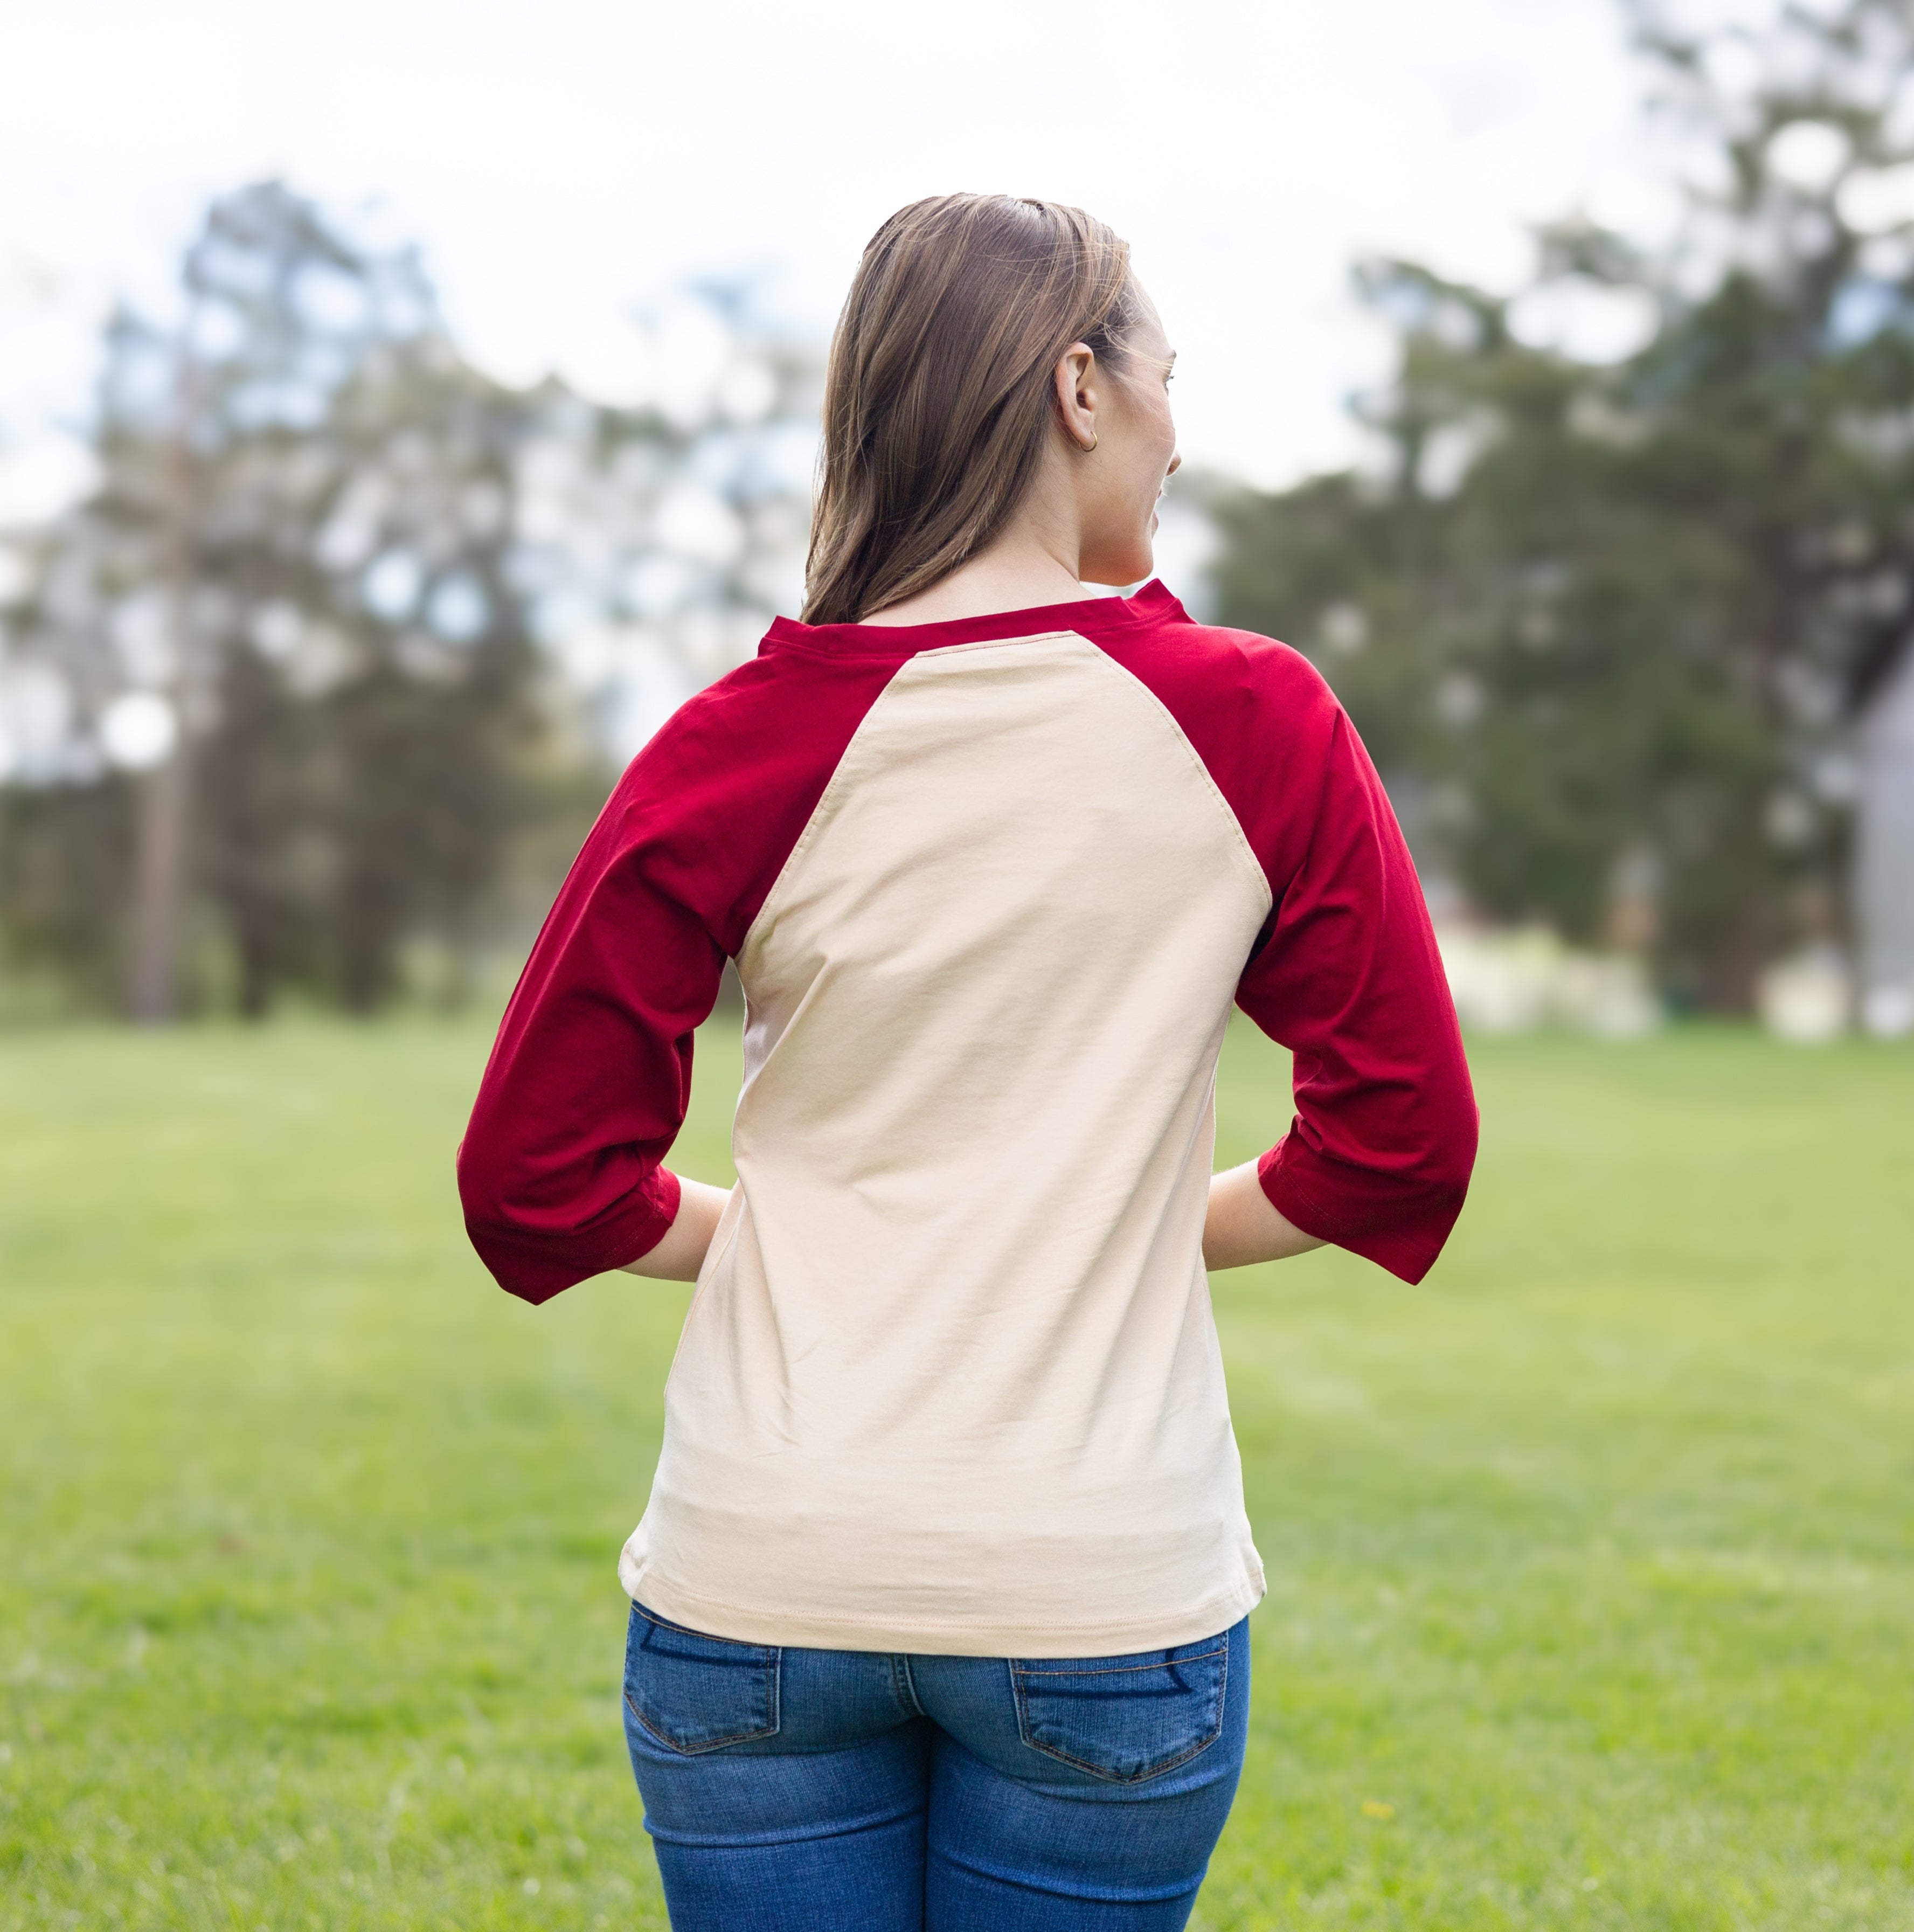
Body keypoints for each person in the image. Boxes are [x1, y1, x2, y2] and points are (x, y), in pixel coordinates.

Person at [457, 192, 1478, 1931]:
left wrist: (789, 1238)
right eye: (1164, 376)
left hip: (759, 1581)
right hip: (1098, 1591)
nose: (1175, 431)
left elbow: (532, 1181)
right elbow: (1401, 1143)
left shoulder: (734, 740)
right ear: (1080, 388)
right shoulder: (1252, 718)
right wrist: (1119, 1226)